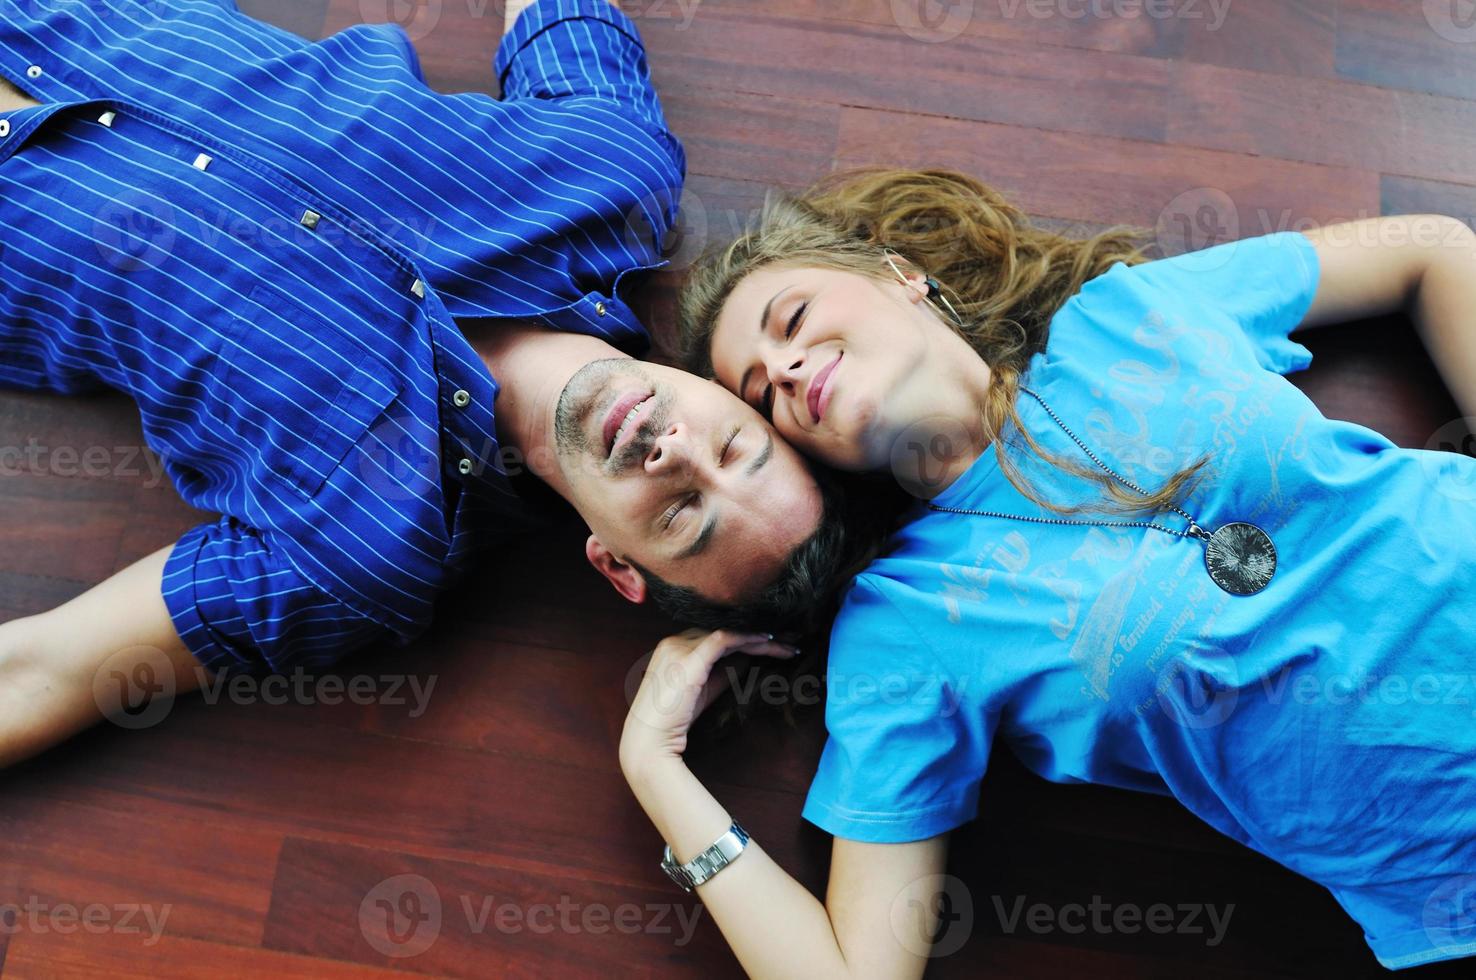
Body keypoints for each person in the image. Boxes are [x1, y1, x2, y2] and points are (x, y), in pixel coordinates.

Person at [619, 167, 1476, 974]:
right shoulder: (903, 624)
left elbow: (1428, 249)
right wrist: (656, 767)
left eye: (792, 319)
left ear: (898, 275)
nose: (788, 369)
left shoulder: (1127, 314)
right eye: (763, 393)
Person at [0, 0, 832, 768]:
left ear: (617, 566)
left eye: (686, 514)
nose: (674, 450)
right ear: (735, 393)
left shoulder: (362, 556)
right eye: (733, 444)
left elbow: (41, 674)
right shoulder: (611, 173)